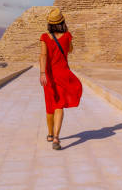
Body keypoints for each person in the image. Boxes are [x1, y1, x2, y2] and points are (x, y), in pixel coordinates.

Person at [39, 8, 82, 150]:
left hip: (50, 76)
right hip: (63, 74)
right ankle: (56, 138)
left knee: (50, 105)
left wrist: (42, 73)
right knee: (59, 105)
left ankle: (51, 134)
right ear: (62, 21)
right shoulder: (67, 36)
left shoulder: (45, 37)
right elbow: (70, 50)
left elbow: (43, 55)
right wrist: (66, 35)